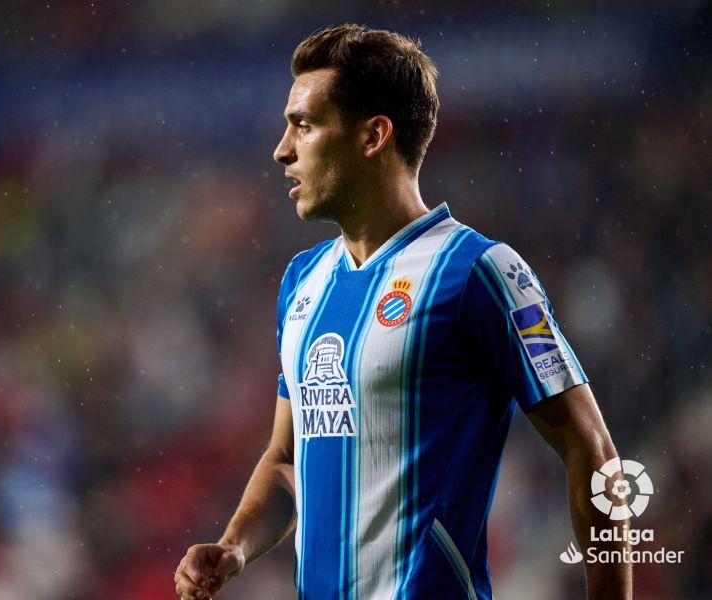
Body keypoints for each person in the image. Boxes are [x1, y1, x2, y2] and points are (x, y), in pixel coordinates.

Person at [175, 24, 632, 599]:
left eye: (304, 125)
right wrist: (236, 545)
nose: (282, 149)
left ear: (373, 136)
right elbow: (289, 461)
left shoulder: (478, 271)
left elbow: (591, 449)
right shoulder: (301, 283)